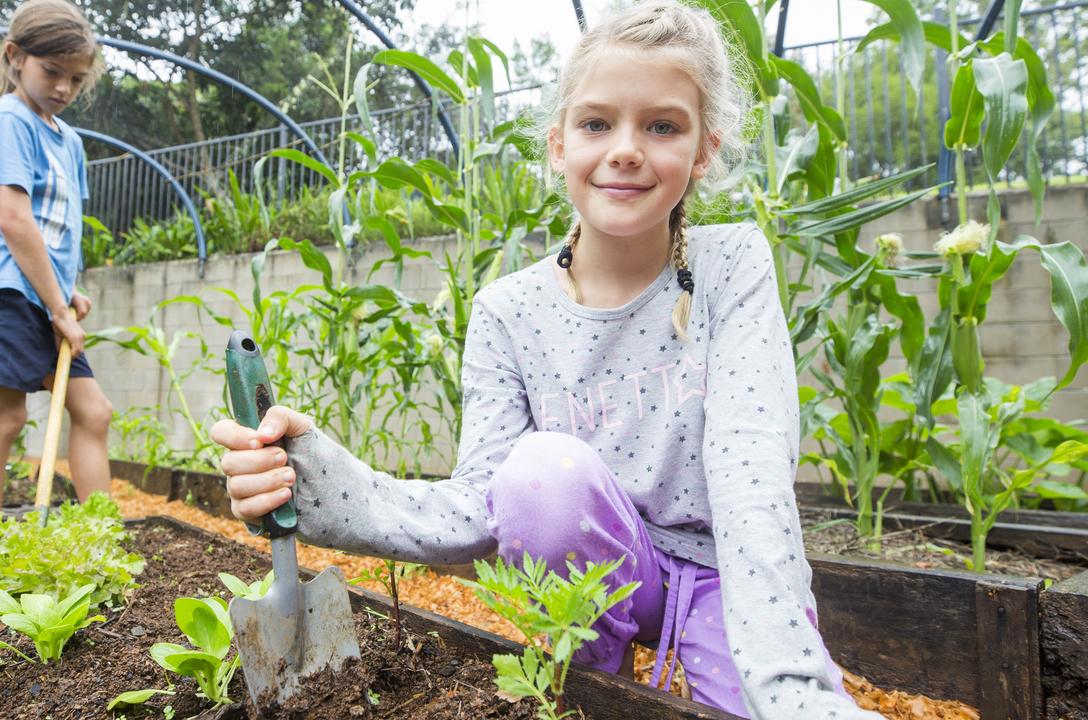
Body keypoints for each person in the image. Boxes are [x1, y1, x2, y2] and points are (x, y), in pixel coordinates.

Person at [211, 2, 878, 717]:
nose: (626, 148)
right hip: (589, 590)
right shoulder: (509, 311)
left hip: (724, 580)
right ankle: (594, 683)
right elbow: (483, 502)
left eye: (662, 126)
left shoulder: (733, 267)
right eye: (597, 124)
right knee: (539, 475)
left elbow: (752, 473)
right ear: (559, 145)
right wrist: (314, 479)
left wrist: (789, 681)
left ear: (704, 151)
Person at [0, 0, 112, 519]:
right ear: (16, 57)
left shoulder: (70, 141)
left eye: (76, 79)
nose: (63, 88)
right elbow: (15, 221)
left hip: (44, 295)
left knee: (93, 412)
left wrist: (68, 289)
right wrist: (58, 306)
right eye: (52, 72)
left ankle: (99, 536)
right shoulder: (6, 120)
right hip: (2, 288)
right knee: (3, 417)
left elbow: (55, 226)